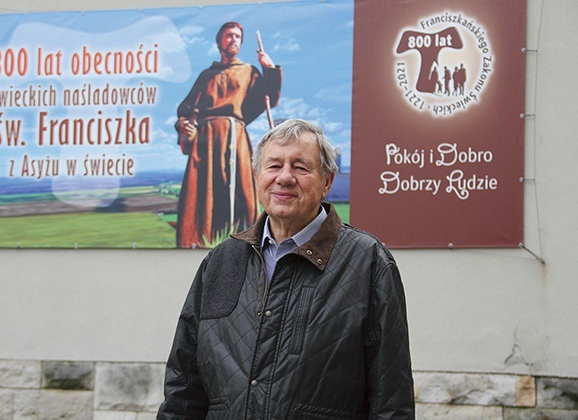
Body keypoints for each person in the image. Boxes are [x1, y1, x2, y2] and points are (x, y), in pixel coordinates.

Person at [158, 118, 415, 419]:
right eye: (274, 165)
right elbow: (183, 387)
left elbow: (392, 401)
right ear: (257, 176)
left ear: (327, 182)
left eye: (301, 167)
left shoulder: (368, 262)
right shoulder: (222, 262)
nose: (285, 178)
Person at [174, 21, 282, 248]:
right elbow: (184, 110)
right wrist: (184, 125)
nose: (233, 39)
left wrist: (270, 70)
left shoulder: (249, 72)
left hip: (235, 136)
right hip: (206, 140)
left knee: (241, 189)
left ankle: (244, 244)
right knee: (204, 191)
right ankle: (200, 239)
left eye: (237, 37)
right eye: (228, 35)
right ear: (219, 41)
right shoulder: (207, 75)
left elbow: (268, 98)